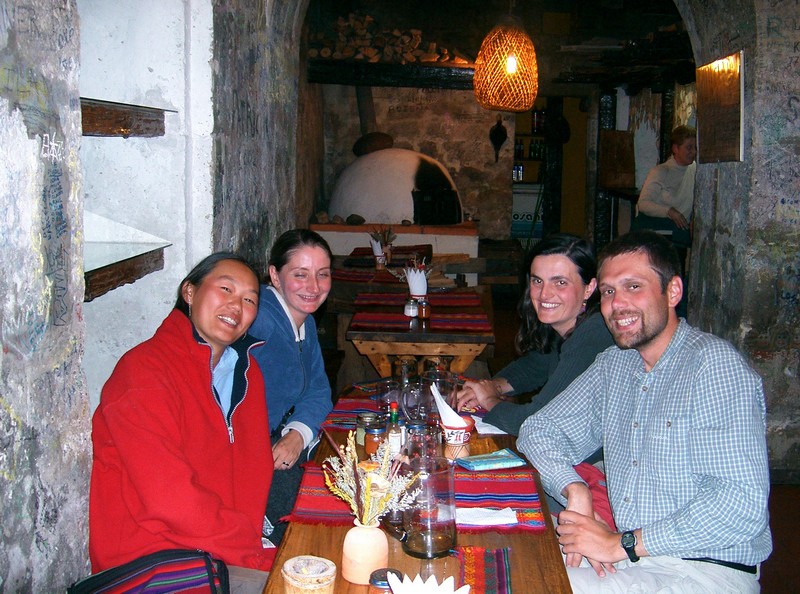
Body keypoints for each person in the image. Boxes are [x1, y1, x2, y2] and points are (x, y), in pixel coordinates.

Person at [517, 231, 772, 593]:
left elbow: (740, 505)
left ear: (673, 292)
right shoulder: (616, 365)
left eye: (633, 287)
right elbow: (538, 430)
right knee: (510, 562)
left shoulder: (713, 367)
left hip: (704, 571)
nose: (617, 304)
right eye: (608, 291)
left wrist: (624, 544)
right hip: (631, 558)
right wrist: (574, 488)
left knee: (531, 584)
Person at [90, 253, 275, 591]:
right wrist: (250, 551)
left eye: (249, 299)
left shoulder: (248, 374)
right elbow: (168, 499)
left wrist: (251, 543)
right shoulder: (144, 371)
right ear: (189, 292)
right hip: (152, 560)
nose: (237, 306)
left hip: (221, 551)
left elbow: (251, 473)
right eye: (225, 289)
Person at [456, 234, 614, 436]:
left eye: (560, 283)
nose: (544, 294)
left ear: (589, 288)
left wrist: (489, 400)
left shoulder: (593, 335)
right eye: (537, 281)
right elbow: (535, 366)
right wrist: (491, 387)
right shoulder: (568, 323)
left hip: (598, 464)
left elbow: (537, 423)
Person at [249, 229, 334, 544]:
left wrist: (297, 434)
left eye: (322, 275)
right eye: (300, 275)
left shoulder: (304, 321)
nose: (313, 287)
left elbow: (319, 391)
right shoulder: (259, 320)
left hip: (279, 442)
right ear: (274, 274)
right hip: (250, 456)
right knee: (308, 519)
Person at [633, 124, 697, 249]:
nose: (693, 152)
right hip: (657, 231)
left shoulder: (695, 170)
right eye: (689, 148)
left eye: (695, 147)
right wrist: (669, 211)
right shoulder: (661, 171)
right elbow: (643, 204)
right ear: (675, 148)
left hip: (679, 232)